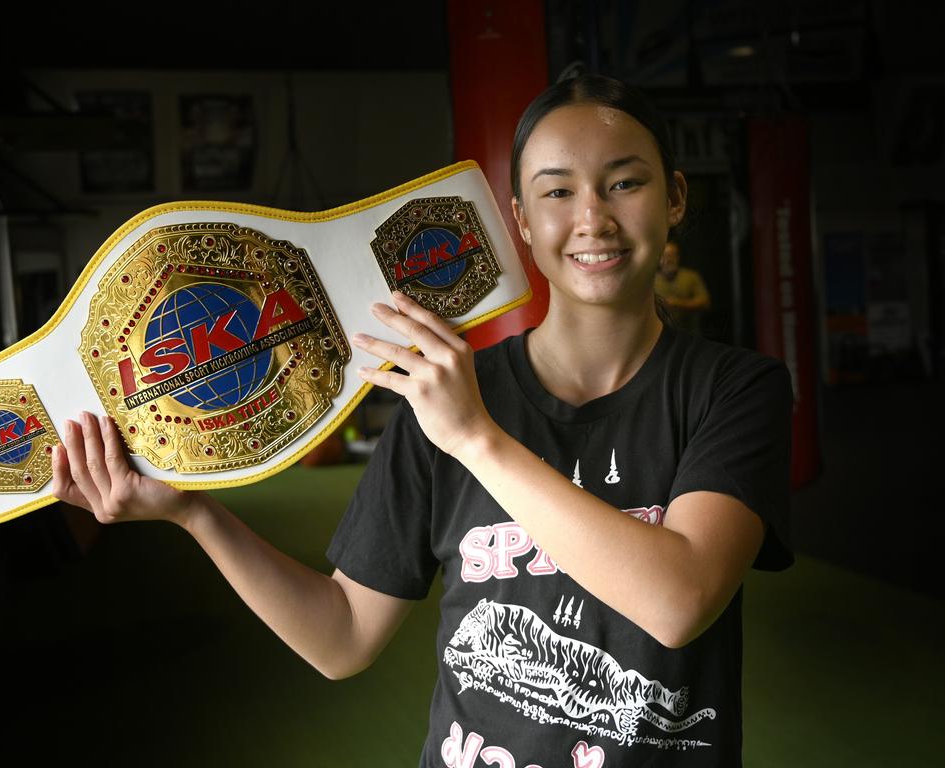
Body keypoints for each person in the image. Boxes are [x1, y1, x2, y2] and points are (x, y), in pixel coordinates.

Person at [52, 74, 792, 767]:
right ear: (521, 222)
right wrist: (193, 514)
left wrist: (476, 437)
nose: (592, 218)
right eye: (557, 192)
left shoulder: (734, 390)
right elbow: (342, 637)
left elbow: (678, 601)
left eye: (625, 183)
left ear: (675, 199)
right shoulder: (443, 396)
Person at [654, 240, 711, 334]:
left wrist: (678, 303)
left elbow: (705, 302)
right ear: (659, 258)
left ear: (678, 257)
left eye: (672, 255)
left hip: (689, 334)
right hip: (659, 336)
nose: (668, 260)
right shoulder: (650, 280)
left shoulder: (691, 277)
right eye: (665, 255)